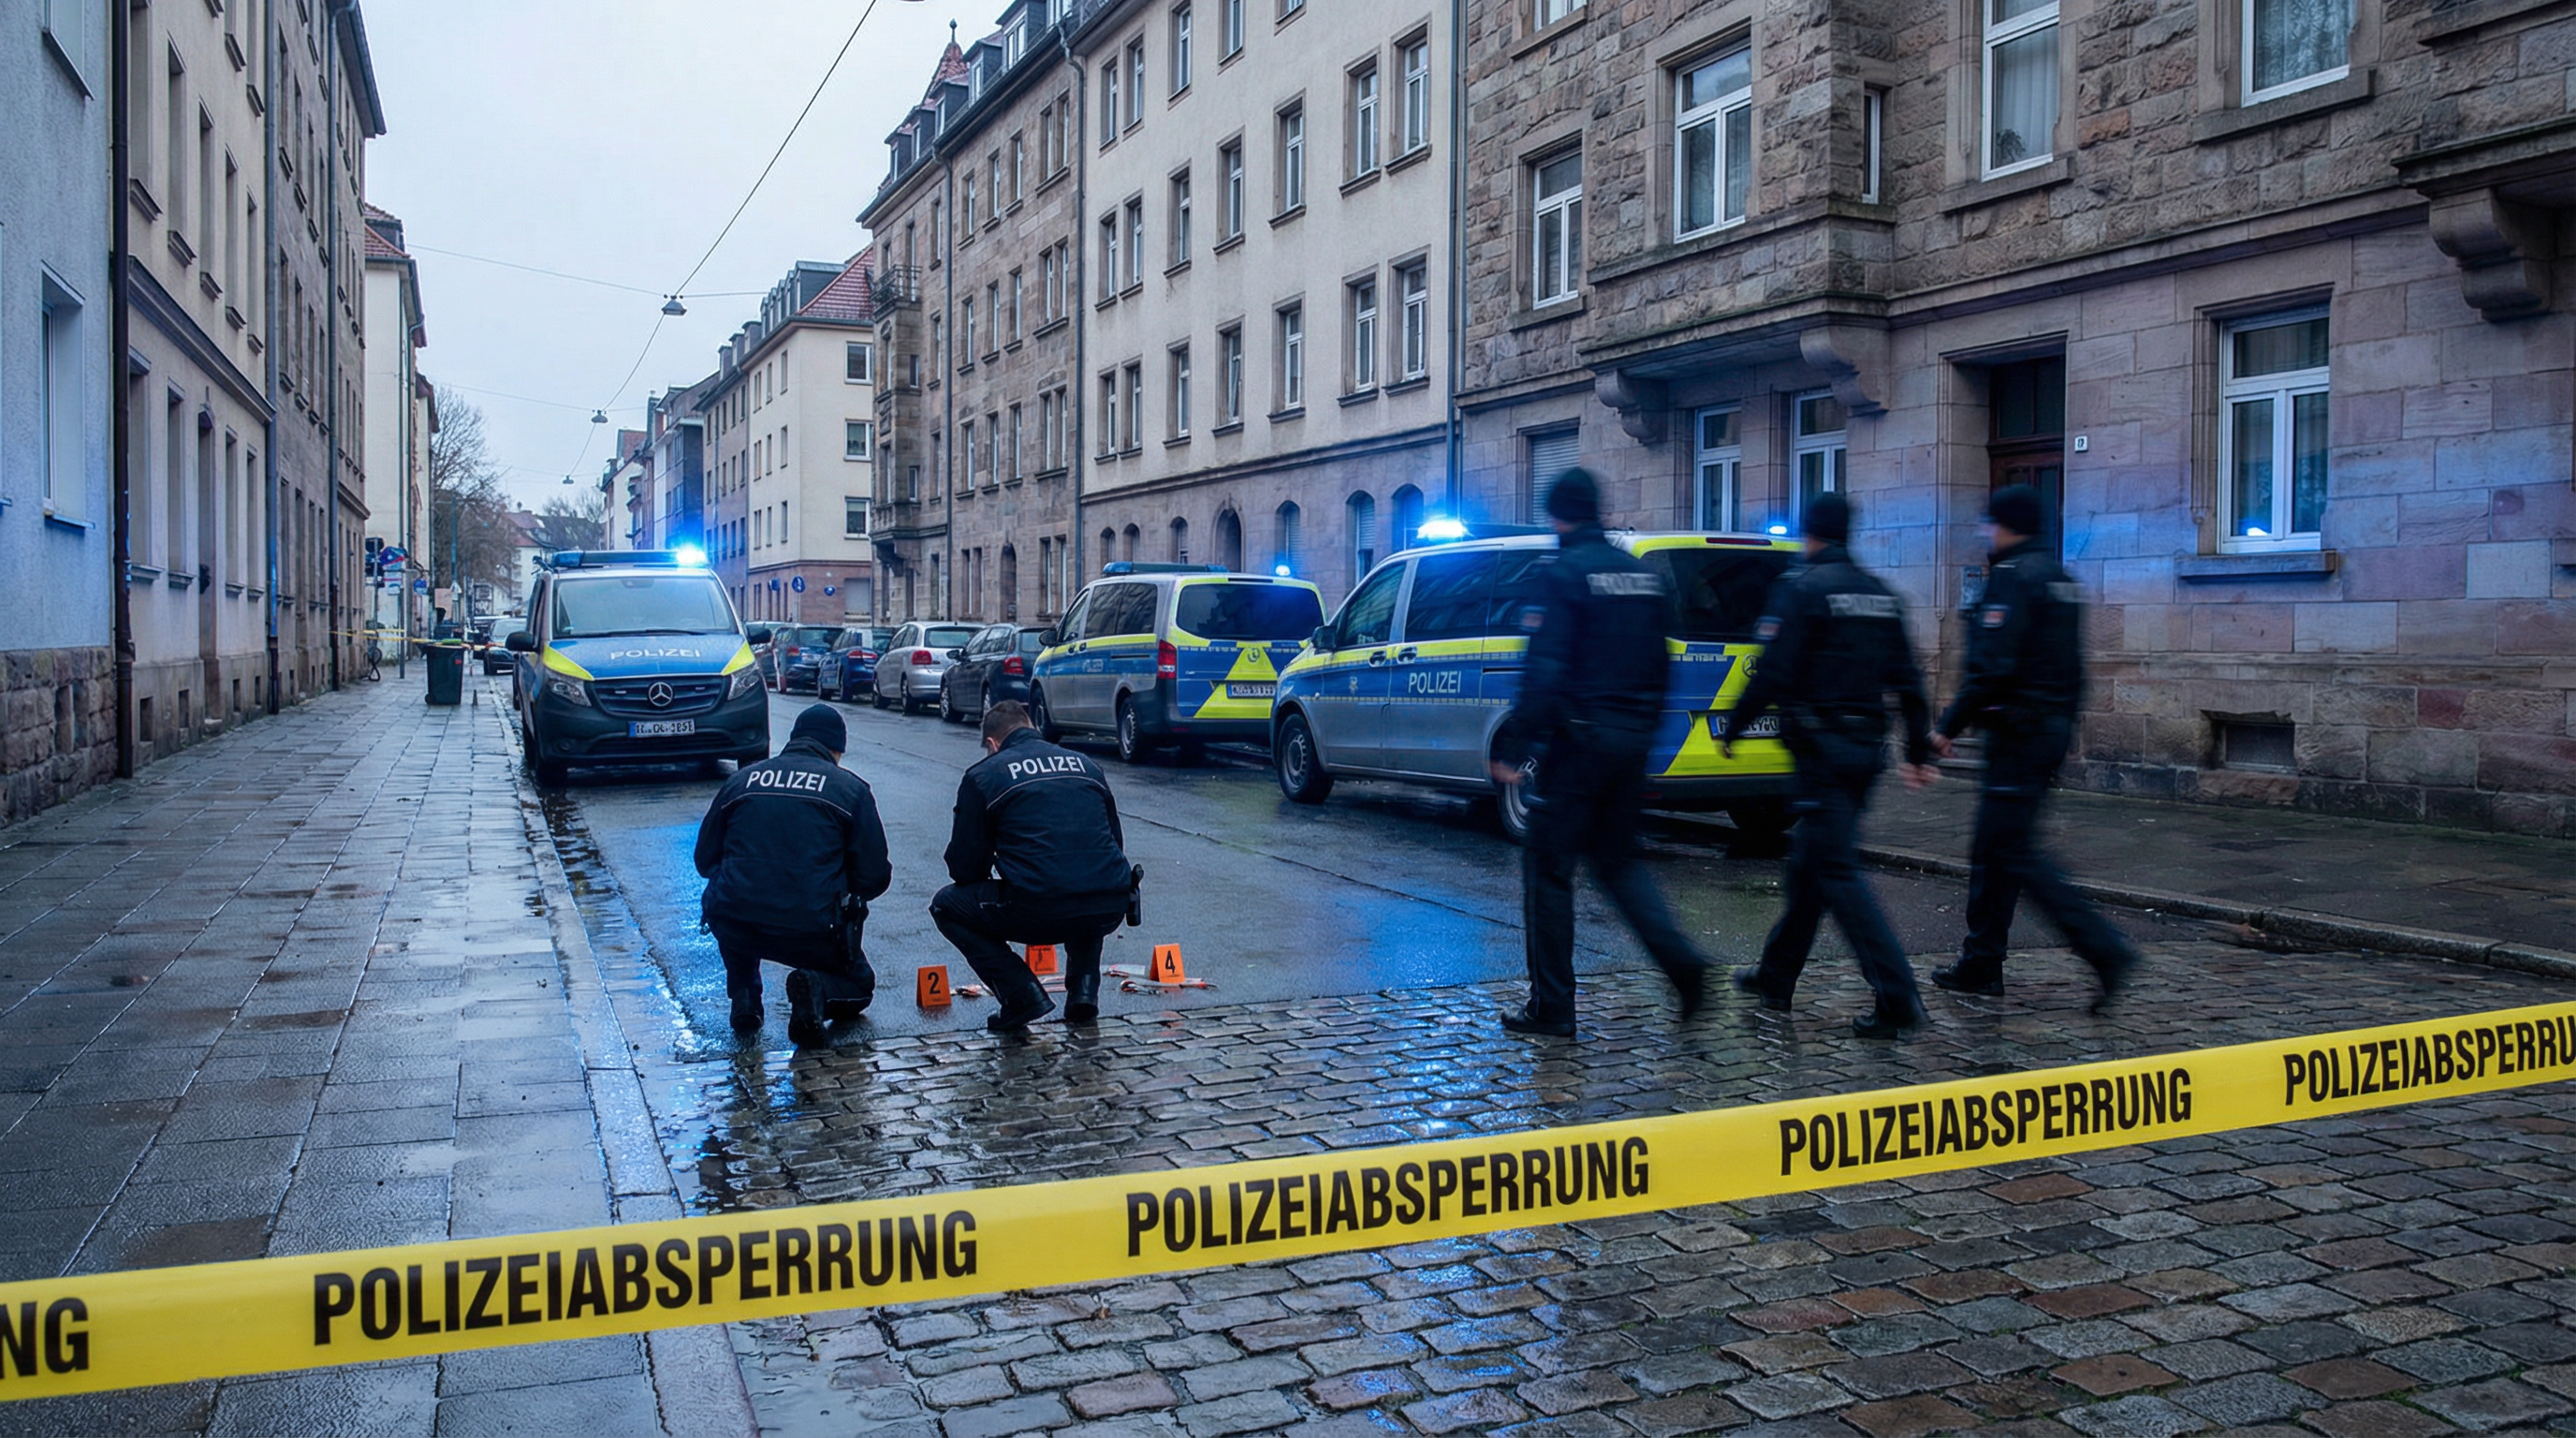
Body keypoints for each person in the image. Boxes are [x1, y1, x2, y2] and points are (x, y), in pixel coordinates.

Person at [1487, 469, 1712, 1038]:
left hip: (1577, 746)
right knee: (1619, 864)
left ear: (1560, 517)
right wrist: (1645, 732)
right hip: (1630, 743)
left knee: (1548, 871)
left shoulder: (1563, 574)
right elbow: (1663, 663)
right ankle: (1684, 968)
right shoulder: (1641, 575)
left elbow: (1546, 669)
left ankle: (1553, 1006)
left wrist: (1517, 745)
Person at [1717, 493, 1939, 1038]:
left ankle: (1897, 996)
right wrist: (1915, 752)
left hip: (1821, 752)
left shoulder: (1802, 588)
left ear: (1808, 532)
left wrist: (1735, 726)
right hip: (1865, 752)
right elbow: (1908, 681)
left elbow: (1773, 671)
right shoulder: (1881, 595)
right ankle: (1776, 976)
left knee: (1836, 873)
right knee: (1810, 867)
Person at [1930, 484, 2140, 1012]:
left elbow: (1992, 669)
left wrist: (1947, 727)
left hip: (2017, 734)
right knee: (1994, 851)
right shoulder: (2061, 580)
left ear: (2006, 525)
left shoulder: (2012, 578)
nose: (1985, 533)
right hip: (2044, 731)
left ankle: (2104, 949)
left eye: (1989, 523)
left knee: (2011, 851)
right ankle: (1981, 963)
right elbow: (2070, 669)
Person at [693, 704, 889, 1049]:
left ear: (794, 740)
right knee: (859, 986)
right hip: (814, 929)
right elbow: (874, 878)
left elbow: (704, 859)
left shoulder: (741, 781)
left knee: (731, 897)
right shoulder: (850, 789)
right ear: (837, 750)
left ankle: (744, 996)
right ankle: (816, 991)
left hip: (738, 924)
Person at [933, 701, 1136, 1033]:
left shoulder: (984, 775)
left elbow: (966, 869)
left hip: (1037, 908)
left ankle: (1020, 994)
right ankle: (1084, 993)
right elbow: (1114, 843)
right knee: (1087, 873)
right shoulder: (1086, 765)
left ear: (992, 744)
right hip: (1111, 903)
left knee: (947, 906)